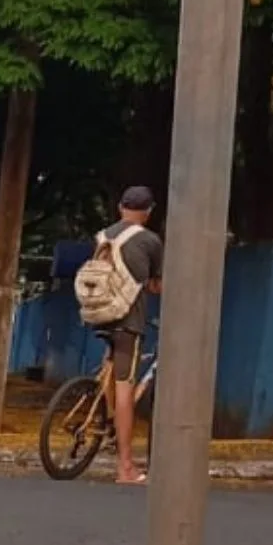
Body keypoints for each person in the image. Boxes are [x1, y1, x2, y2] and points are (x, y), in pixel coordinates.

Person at [91, 186, 163, 485]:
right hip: (128, 323)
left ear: (121, 207)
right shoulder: (149, 240)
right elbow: (156, 285)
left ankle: (107, 421)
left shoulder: (102, 237)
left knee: (109, 367)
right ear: (148, 212)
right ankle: (126, 467)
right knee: (125, 389)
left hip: (99, 315)